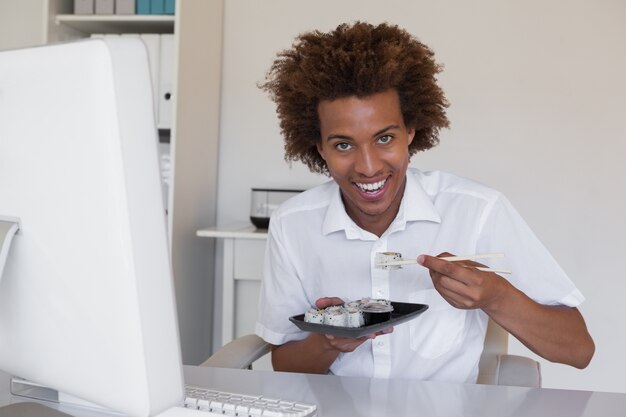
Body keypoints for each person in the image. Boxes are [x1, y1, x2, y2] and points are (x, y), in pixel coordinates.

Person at [254, 21, 594, 383]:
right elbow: (285, 365)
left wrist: (496, 297)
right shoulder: (293, 224)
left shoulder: (476, 211)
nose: (368, 167)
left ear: (411, 132)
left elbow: (578, 350)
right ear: (318, 147)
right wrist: (330, 342)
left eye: (384, 138)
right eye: (343, 145)